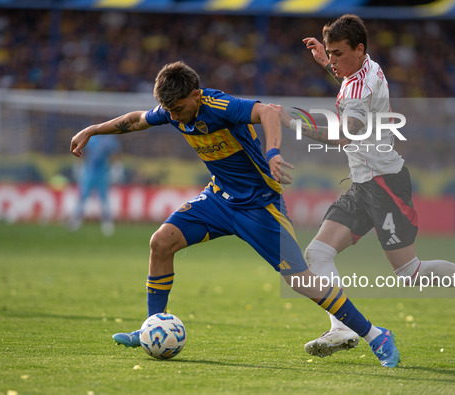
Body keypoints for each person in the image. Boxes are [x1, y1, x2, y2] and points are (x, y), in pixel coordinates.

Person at [70, 60, 401, 367]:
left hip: (260, 205)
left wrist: (272, 153)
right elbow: (137, 120)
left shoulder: (219, 106)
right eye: (170, 110)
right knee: (161, 242)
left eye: (180, 108)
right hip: (218, 200)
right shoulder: (173, 111)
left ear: (196, 95)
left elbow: (268, 112)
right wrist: (94, 129)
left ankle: (376, 335)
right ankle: (151, 327)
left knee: (300, 281)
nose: (176, 116)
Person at [273, 14, 455, 359]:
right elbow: (349, 86)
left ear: (359, 49)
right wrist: (328, 64)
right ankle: (341, 328)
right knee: (318, 253)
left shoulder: (358, 86)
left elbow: (343, 134)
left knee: (410, 272)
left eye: (337, 53)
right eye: (329, 53)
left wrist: (290, 123)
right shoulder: (367, 68)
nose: (331, 59)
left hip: (385, 185)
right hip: (363, 184)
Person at [68, 134, 121, 236]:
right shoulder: (91, 137)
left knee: (104, 197)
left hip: (102, 172)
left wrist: (116, 167)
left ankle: (107, 222)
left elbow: (115, 153)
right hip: (89, 171)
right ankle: (76, 220)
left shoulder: (109, 139)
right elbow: (84, 151)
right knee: (83, 195)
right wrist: (80, 164)